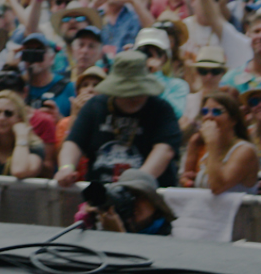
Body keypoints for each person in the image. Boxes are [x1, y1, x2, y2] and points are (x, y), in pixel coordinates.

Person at [56, 57, 183, 187]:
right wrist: (66, 167)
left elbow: (165, 150)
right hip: (100, 190)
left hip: (148, 192)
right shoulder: (95, 106)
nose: (133, 97)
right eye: (127, 92)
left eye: (139, 91)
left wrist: (137, 182)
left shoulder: (161, 109)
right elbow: (74, 142)